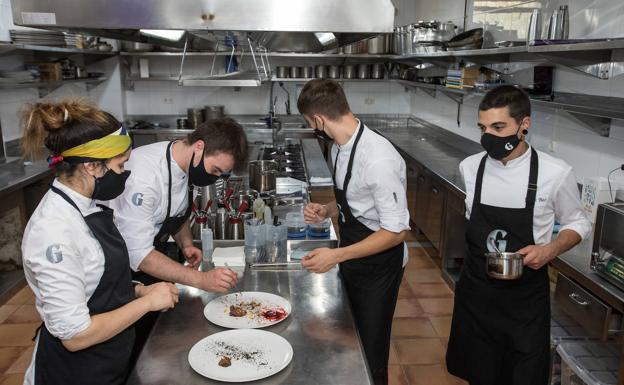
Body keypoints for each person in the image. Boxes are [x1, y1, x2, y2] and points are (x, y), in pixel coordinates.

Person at [20, 99, 179, 385]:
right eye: (120, 165)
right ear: (93, 166)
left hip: (108, 360)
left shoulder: (89, 205)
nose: (124, 175)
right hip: (74, 372)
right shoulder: (53, 231)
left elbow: (92, 277)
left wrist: (138, 290)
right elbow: (76, 335)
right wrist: (147, 304)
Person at [446, 85, 592, 385]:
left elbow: (578, 222)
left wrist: (550, 249)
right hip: (476, 293)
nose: (489, 136)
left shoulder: (555, 172)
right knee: (479, 372)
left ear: (524, 124)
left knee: (522, 374)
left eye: (499, 127)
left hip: (524, 300)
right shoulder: (470, 168)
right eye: (483, 128)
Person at [297, 79, 410, 385]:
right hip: (353, 254)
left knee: (371, 348)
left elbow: (396, 231)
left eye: (310, 123)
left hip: (379, 265)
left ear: (318, 119)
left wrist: (337, 255)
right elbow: (355, 201)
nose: (313, 127)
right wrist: (328, 210)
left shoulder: (378, 159)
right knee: (350, 335)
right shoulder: (338, 147)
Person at [108, 117, 247, 290]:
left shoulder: (188, 162)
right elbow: (139, 254)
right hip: (120, 273)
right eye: (215, 170)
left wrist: (186, 244)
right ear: (199, 147)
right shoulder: (143, 177)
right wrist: (201, 280)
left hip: (153, 260)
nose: (215, 177)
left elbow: (178, 211)